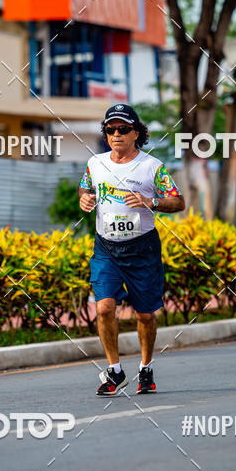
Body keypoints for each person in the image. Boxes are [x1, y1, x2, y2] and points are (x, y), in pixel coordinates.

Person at [79, 103, 185, 396]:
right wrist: (85, 199)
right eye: (110, 129)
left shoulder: (153, 167)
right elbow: (85, 187)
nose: (116, 134)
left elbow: (178, 202)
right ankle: (114, 372)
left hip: (142, 248)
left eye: (123, 129)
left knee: (145, 316)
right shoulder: (95, 163)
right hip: (106, 248)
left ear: (136, 132)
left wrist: (151, 202)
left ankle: (146, 368)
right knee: (103, 308)